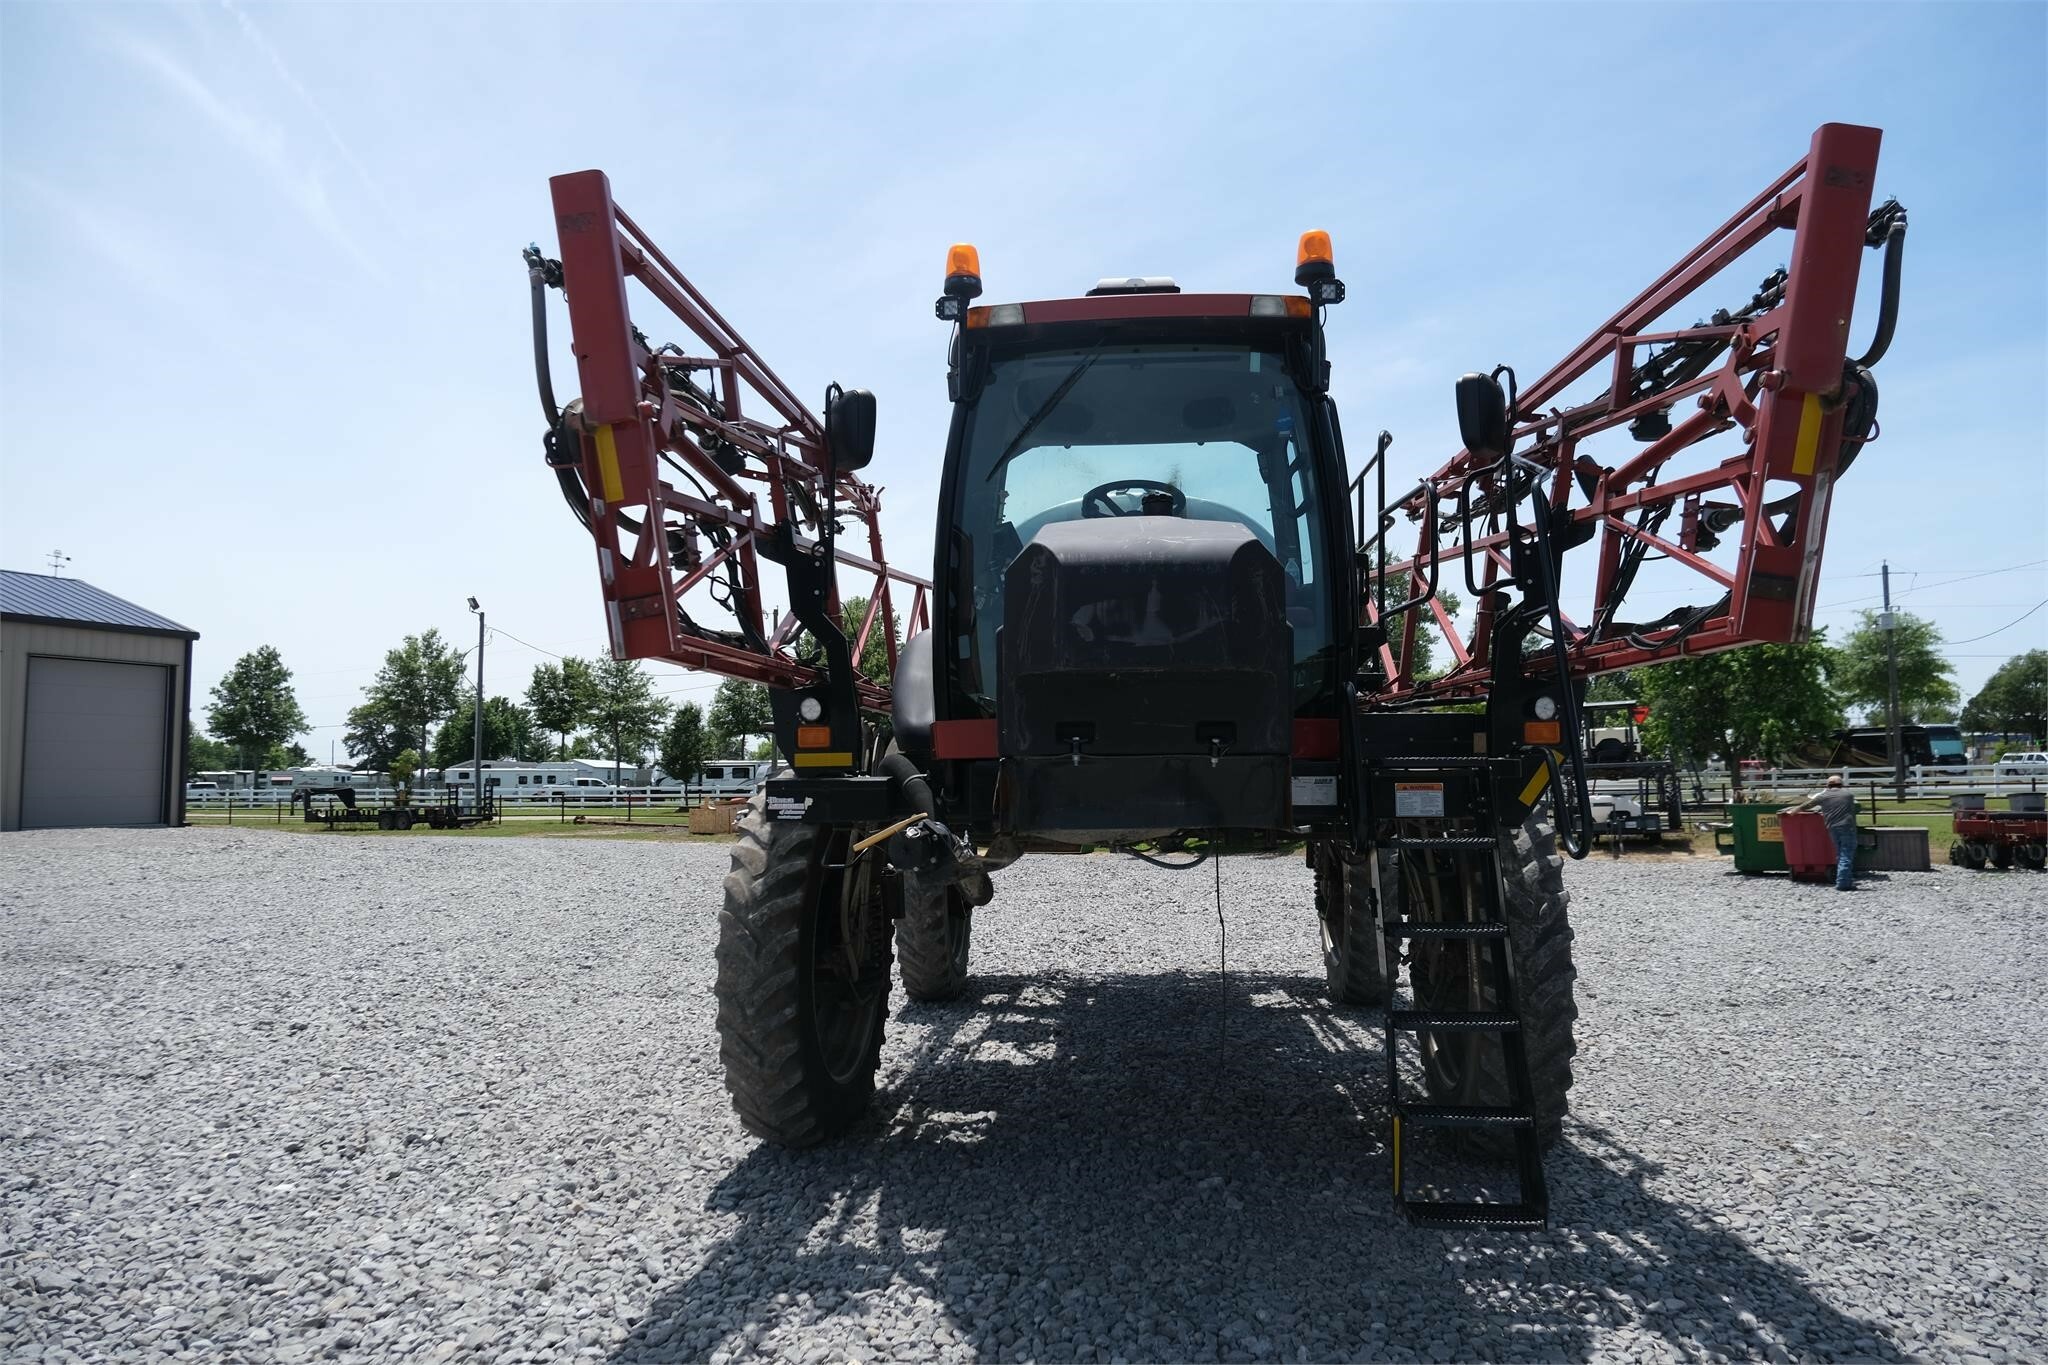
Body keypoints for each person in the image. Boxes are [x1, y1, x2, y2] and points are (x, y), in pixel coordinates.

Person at [1787, 774, 1860, 890]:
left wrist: (1794, 811)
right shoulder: (1848, 795)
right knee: (1846, 853)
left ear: (1827, 785)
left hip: (1832, 827)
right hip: (1847, 827)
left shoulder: (1823, 796)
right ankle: (1843, 883)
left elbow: (1808, 805)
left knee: (1840, 853)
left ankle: (1844, 879)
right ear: (1841, 784)